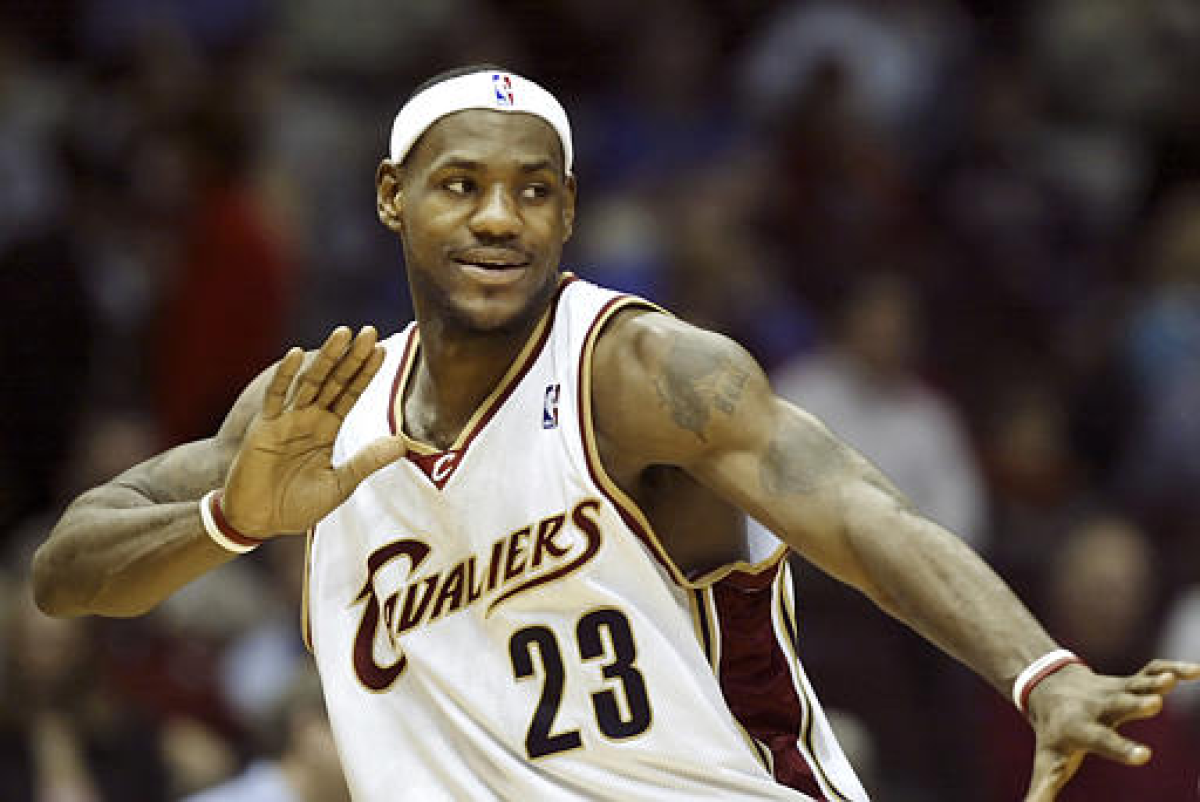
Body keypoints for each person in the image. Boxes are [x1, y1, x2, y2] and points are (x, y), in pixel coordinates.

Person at [31, 65, 1199, 802]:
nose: (499, 217)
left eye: (534, 190)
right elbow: (68, 572)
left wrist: (1035, 671)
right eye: (461, 186)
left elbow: (856, 506)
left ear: (570, 210)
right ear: (392, 196)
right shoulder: (320, 413)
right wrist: (233, 519)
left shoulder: (639, 371)